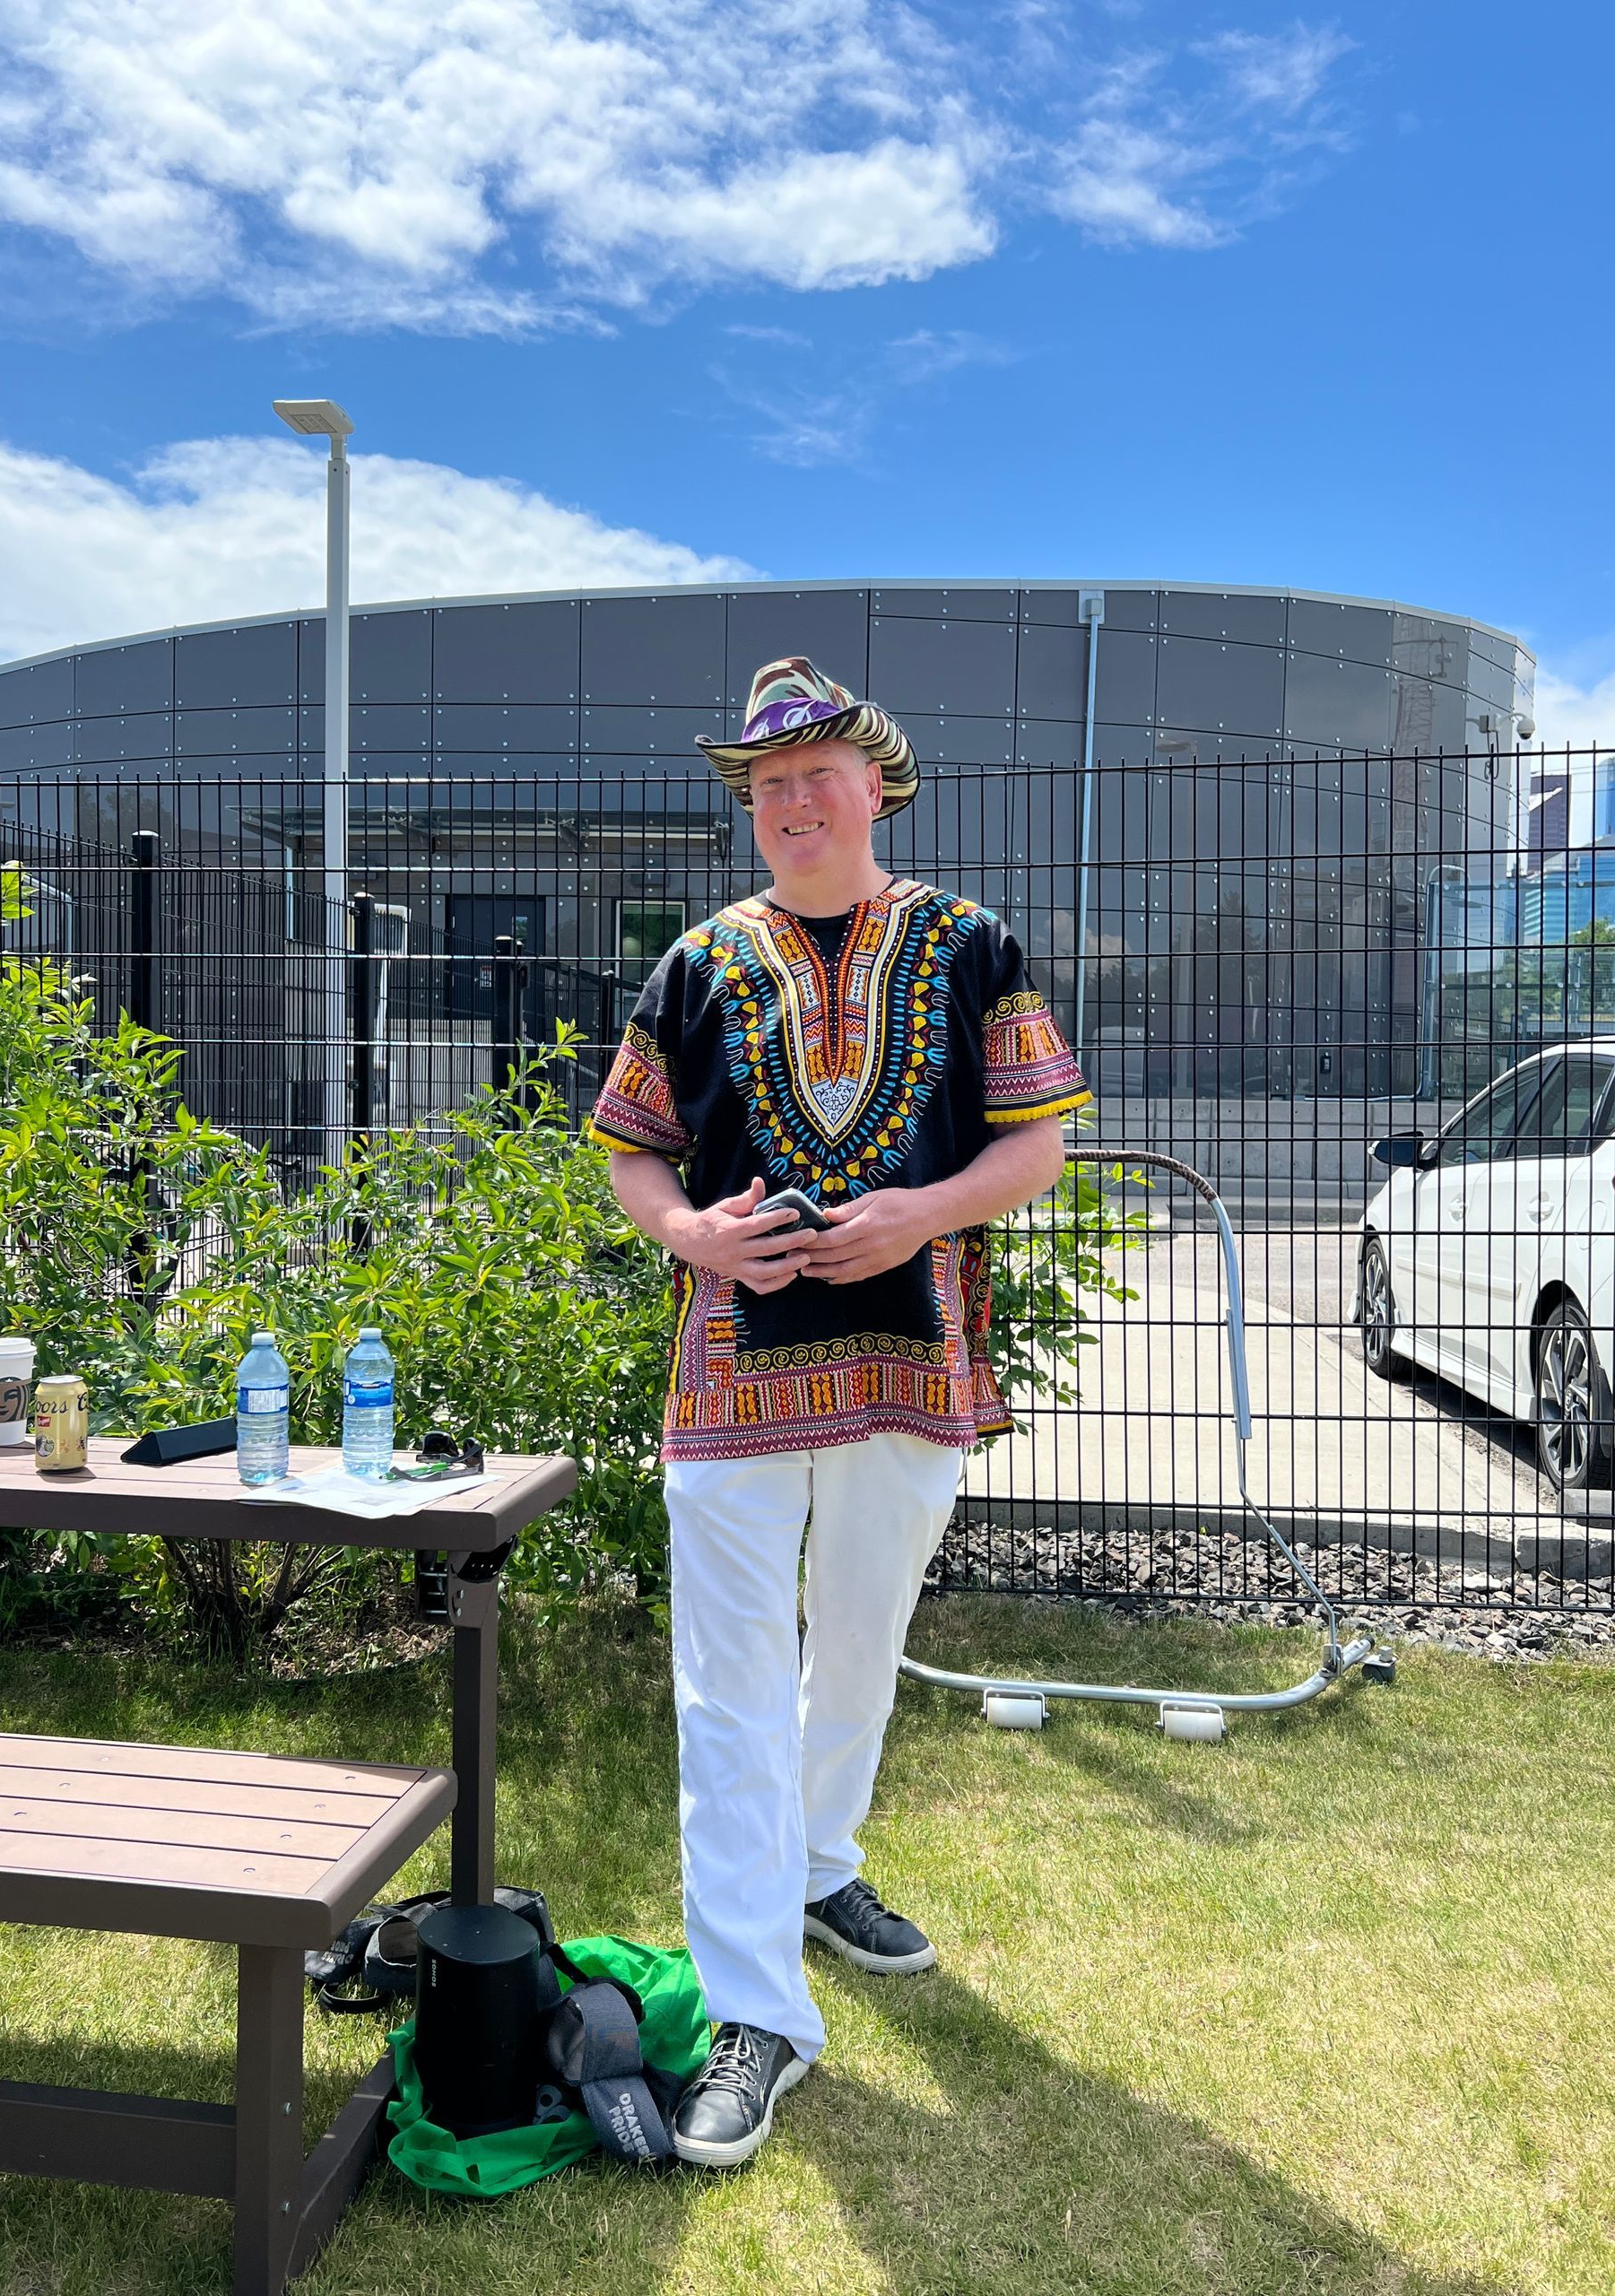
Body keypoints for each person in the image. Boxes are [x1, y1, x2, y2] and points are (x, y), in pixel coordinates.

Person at [588, 656, 1091, 2168]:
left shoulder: (970, 945)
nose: (792, 803)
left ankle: (817, 1866)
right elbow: (631, 1152)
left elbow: (1039, 1145)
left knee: (860, 1647)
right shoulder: (696, 964)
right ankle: (756, 2013)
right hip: (729, 1372)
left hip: (906, 1360)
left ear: (878, 784)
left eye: (817, 776)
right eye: (767, 785)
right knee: (727, 1686)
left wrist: (918, 1214)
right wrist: (691, 1234)